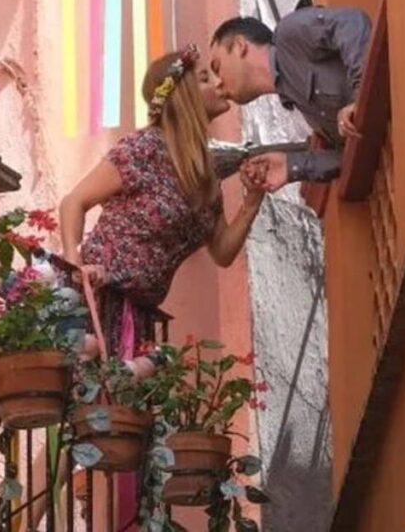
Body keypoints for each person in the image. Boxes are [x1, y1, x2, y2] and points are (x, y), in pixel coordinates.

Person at [59, 44, 264, 359]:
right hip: (99, 299)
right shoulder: (144, 148)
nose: (220, 83)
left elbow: (222, 250)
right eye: (206, 78)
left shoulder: (205, 173)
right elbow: (75, 201)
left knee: (120, 398)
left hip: (140, 315)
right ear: (184, 95)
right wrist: (73, 260)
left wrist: (252, 202)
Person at [209, 8, 372, 192]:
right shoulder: (301, 107)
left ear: (240, 45)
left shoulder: (289, 35)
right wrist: (291, 167)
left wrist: (360, 95)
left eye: (217, 67)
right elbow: (350, 157)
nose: (217, 84)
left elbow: (350, 22)